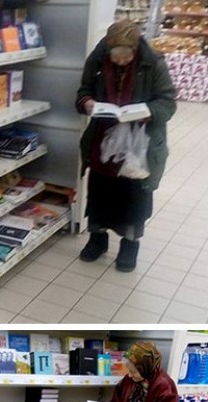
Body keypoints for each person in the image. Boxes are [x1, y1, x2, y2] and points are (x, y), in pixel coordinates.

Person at [76, 21, 176, 271]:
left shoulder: (153, 63)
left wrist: (147, 112)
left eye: (127, 56)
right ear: (108, 50)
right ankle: (97, 239)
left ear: (136, 51)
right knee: (99, 192)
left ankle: (129, 246)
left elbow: (168, 102)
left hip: (140, 142)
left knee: (134, 195)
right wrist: (87, 103)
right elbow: (83, 91)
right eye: (116, 56)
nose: (121, 61)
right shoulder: (98, 61)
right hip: (103, 140)